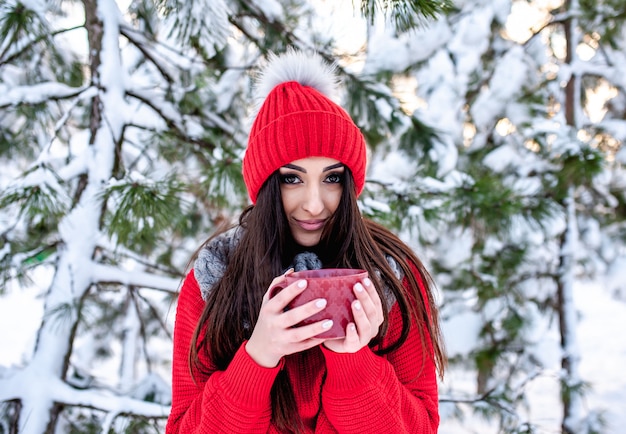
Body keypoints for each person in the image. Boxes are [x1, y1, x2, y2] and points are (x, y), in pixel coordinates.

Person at [166, 49, 446, 434]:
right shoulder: (214, 280)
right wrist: (258, 357)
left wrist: (353, 362)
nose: (314, 204)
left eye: (331, 178)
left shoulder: (391, 276)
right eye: (292, 178)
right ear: (265, 184)